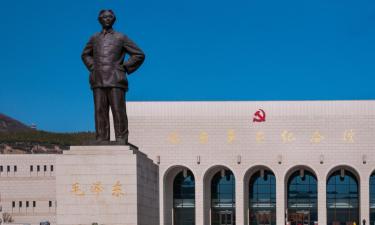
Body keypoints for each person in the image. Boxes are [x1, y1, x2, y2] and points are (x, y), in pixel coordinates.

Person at [82, 9, 145, 144]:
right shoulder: (94, 38)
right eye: (104, 17)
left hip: (116, 79)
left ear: (114, 19)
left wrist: (125, 67)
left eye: (110, 17)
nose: (107, 19)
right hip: (98, 79)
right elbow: (85, 54)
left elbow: (139, 54)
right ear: (99, 19)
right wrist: (93, 67)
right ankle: (102, 137)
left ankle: (121, 137)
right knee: (100, 110)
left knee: (118, 110)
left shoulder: (121, 37)